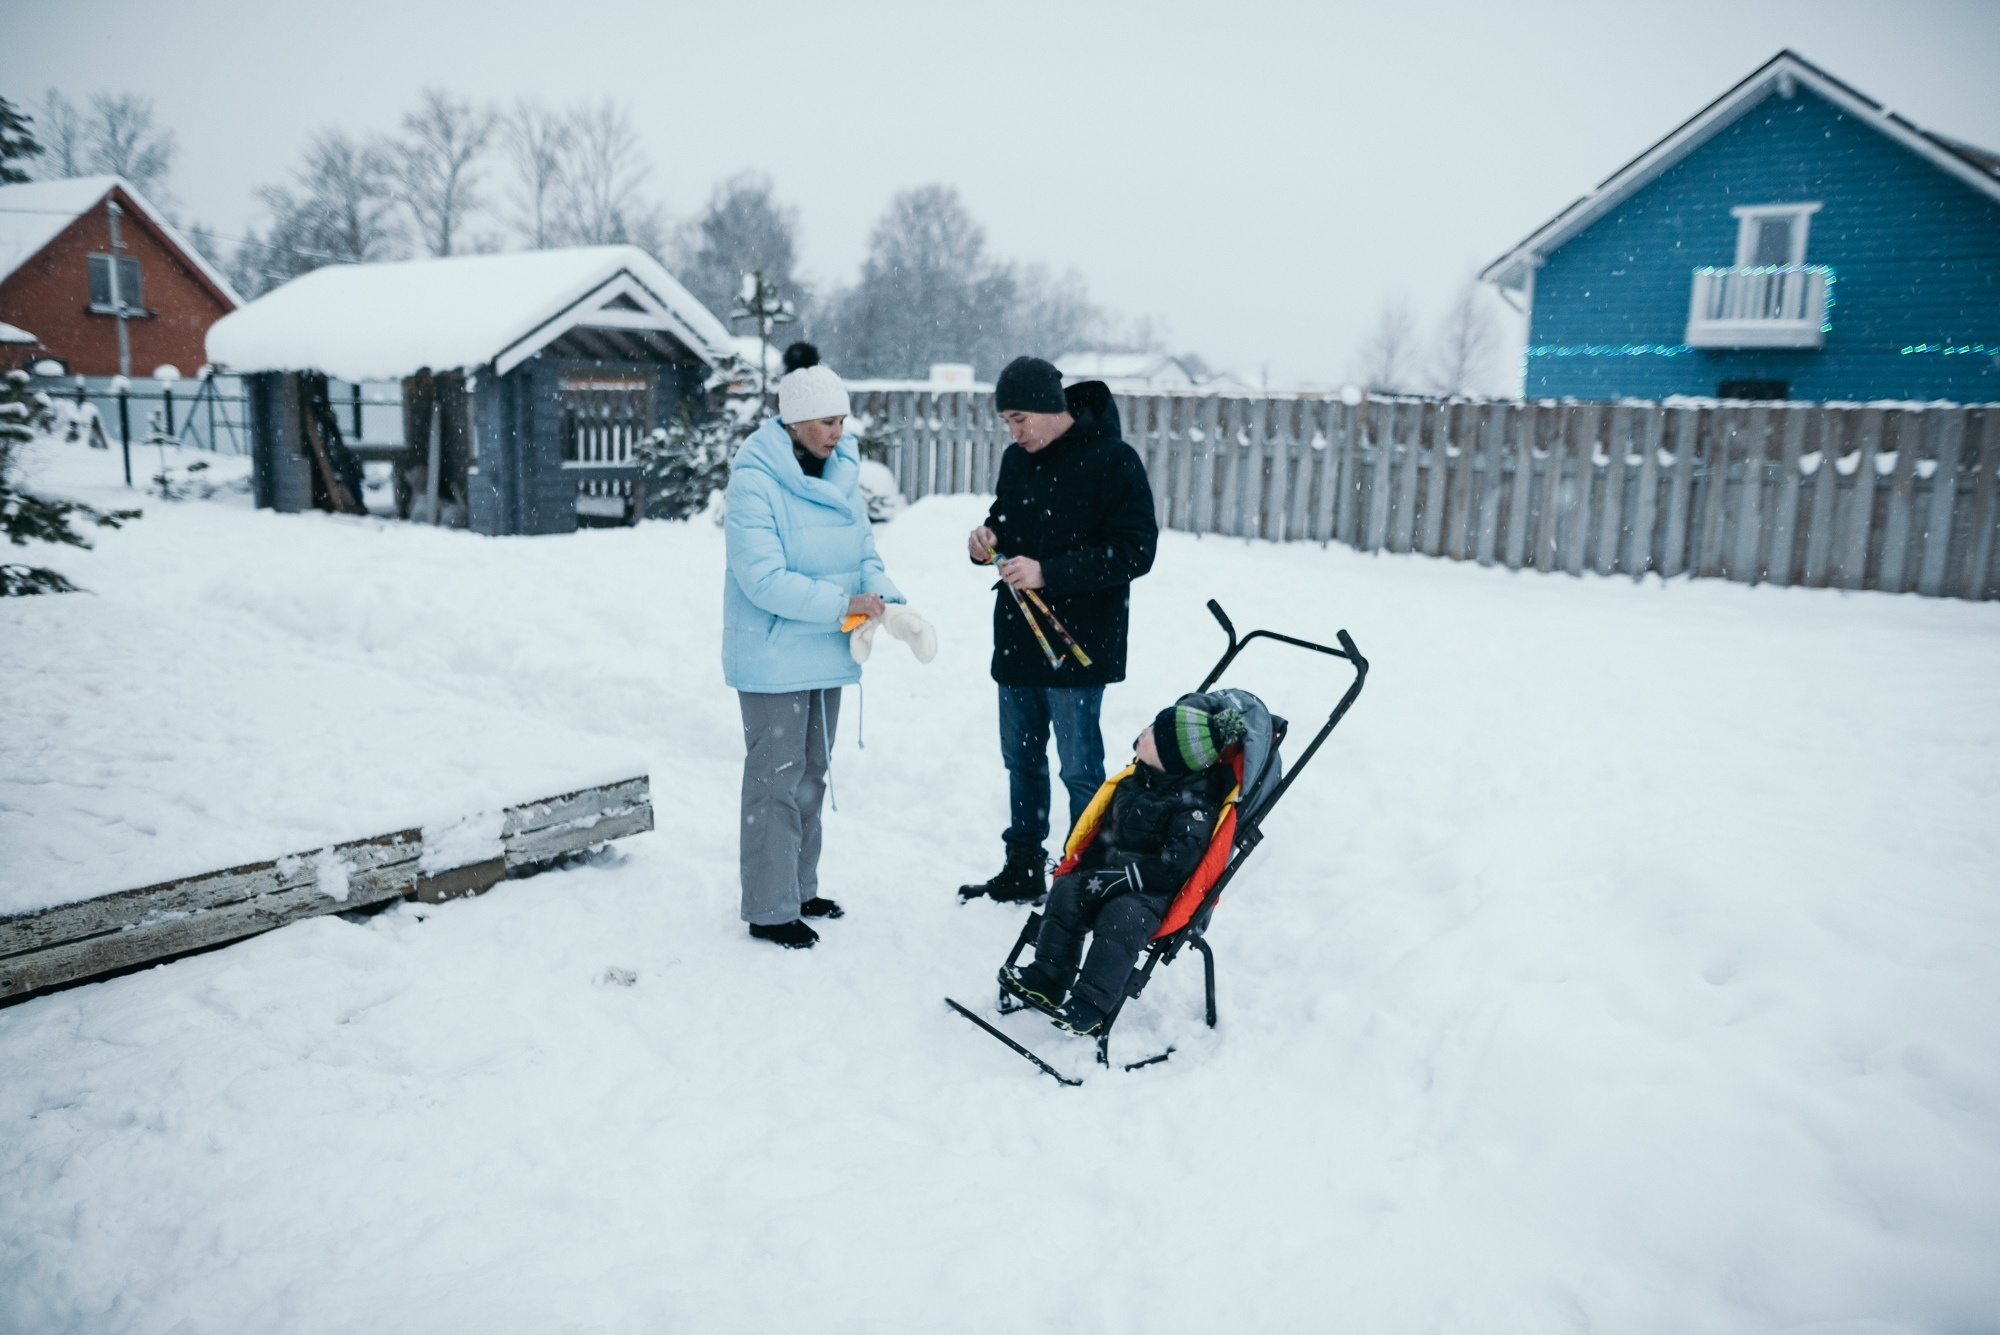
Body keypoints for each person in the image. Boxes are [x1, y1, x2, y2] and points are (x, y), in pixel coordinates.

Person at [724, 343, 908, 949]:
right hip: (774, 654)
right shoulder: (754, 483)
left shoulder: (843, 479)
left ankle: (799, 887)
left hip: (826, 650)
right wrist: (843, 605)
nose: (838, 432)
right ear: (794, 422)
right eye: (828, 421)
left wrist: (888, 599)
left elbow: (864, 555)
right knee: (775, 780)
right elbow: (762, 579)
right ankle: (769, 908)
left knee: (811, 777)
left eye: (842, 421)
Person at [959, 357, 1158, 905]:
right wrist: (987, 541)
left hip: (1078, 645)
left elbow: (1137, 549)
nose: (1013, 432)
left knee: (1079, 769)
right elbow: (1008, 518)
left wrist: (1051, 572)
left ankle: (1084, 873)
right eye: (1006, 422)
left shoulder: (1113, 461)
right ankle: (1023, 865)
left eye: (1020, 418)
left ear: (1052, 408)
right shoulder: (1016, 460)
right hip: (1019, 638)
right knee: (1021, 760)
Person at [1001, 701, 1246, 1035]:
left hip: (1154, 896)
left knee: (1121, 917)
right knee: (1067, 891)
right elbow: (1106, 834)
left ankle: (1091, 1004)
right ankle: (1048, 977)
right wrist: (1086, 870)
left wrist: (1124, 878)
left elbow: (1178, 861)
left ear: (1170, 759)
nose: (1144, 732)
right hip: (1108, 878)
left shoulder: (1194, 808)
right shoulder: (1134, 782)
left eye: (1154, 734)